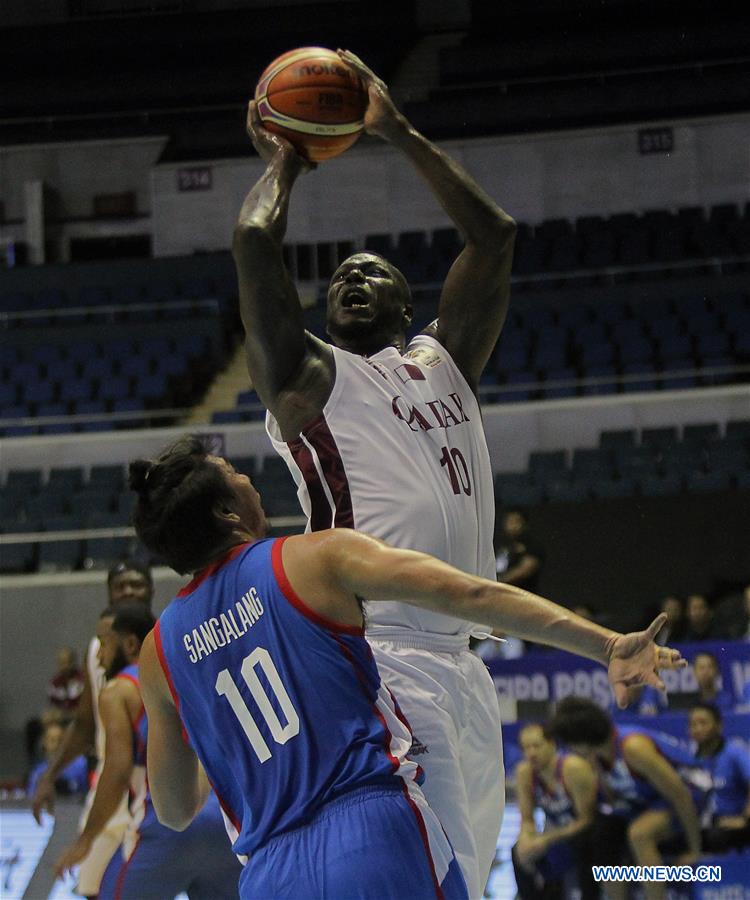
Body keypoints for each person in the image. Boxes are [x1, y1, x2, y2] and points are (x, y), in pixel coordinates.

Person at [128, 435, 684, 900]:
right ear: (228, 512)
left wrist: (218, 729)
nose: (248, 480)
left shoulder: (158, 653)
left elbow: (175, 809)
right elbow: (466, 593)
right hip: (371, 833)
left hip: (270, 874)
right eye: (234, 474)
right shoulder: (310, 558)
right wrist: (606, 644)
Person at [233, 47, 516, 897]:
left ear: (405, 304)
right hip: (382, 656)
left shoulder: (445, 362)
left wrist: (394, 128)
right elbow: (253, 240)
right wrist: (286, 156)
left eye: (373, 274)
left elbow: (494, 235)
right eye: (340, 279)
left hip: (467, 666)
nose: (351, 279)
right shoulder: (309, 380)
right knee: (419, 879)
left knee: (466, 876)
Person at [54, 604, 241, 899]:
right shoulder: (189, 668)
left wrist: (85, 840)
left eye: (104, 644)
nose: (99, 658)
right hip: (224, 821)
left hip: (169, 821)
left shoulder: (118, 690)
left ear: (129, 645)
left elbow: (117, 771)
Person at [32, 559, 154, 899]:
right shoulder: (97, 651)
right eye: (120, 586)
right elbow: (85, 723)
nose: (128, 591)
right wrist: (49, 774)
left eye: (136, 584)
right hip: (111, 779)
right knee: (91, 886)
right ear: (108, 594)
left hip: (153, 782)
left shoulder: (166, 639)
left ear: (152, 590)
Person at [550, 697, 708, 900]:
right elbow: (614, 800)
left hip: (694, 794)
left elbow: (681, 795)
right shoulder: (597, 756)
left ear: (582, 740)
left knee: (639, 833)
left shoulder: (633, 748)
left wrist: (695, 849)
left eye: (570, 744)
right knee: (602, 833)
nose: (570, 751)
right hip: (650, 801)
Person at [512, 724, 598, 900]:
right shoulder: (525, 773)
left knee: (577, 845)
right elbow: (527, 819)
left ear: (552, 744)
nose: (531, 753)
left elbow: (587, 820)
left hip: (584, 834)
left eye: (536, 746)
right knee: (518, 852)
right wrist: (526, 839)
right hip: (556, 835)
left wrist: (546, 839)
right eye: (526, 748)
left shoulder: (573, 768)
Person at [689, 703, 750, 851]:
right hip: (703, 824)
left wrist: (745, 819)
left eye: (703, 723)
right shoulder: (688, 757)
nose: (697, 729)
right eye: (693, 724)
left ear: (718, 726)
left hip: (734, 823)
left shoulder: (734, 752)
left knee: (714, 838)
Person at [27, 721, 88, 799]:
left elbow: (86, 793)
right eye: (52, 740)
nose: (56, 744)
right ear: (44, 743)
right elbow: (31, 797)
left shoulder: (80, 764)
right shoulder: (38, 772)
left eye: (59, 740)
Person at [496, 509, 545, 595]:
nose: (512, 525)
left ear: (524, 524)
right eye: (509, 521)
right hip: (502, 595)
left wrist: (498, 581)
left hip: (524, 596)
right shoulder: (503, 546)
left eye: (516, 521)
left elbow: (525, 571)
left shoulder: (533, 546)